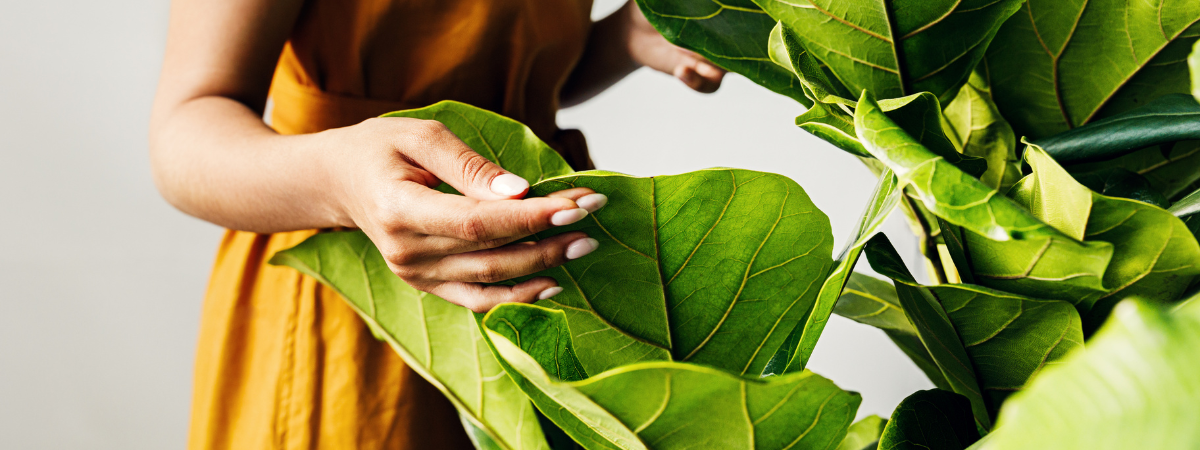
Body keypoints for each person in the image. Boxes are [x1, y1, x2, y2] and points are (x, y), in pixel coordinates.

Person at [149, 0, 724, 448]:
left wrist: (625, 36)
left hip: (546, 284)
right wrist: (338, 183)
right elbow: (184, 131)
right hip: (357, 303)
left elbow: (501, 71)